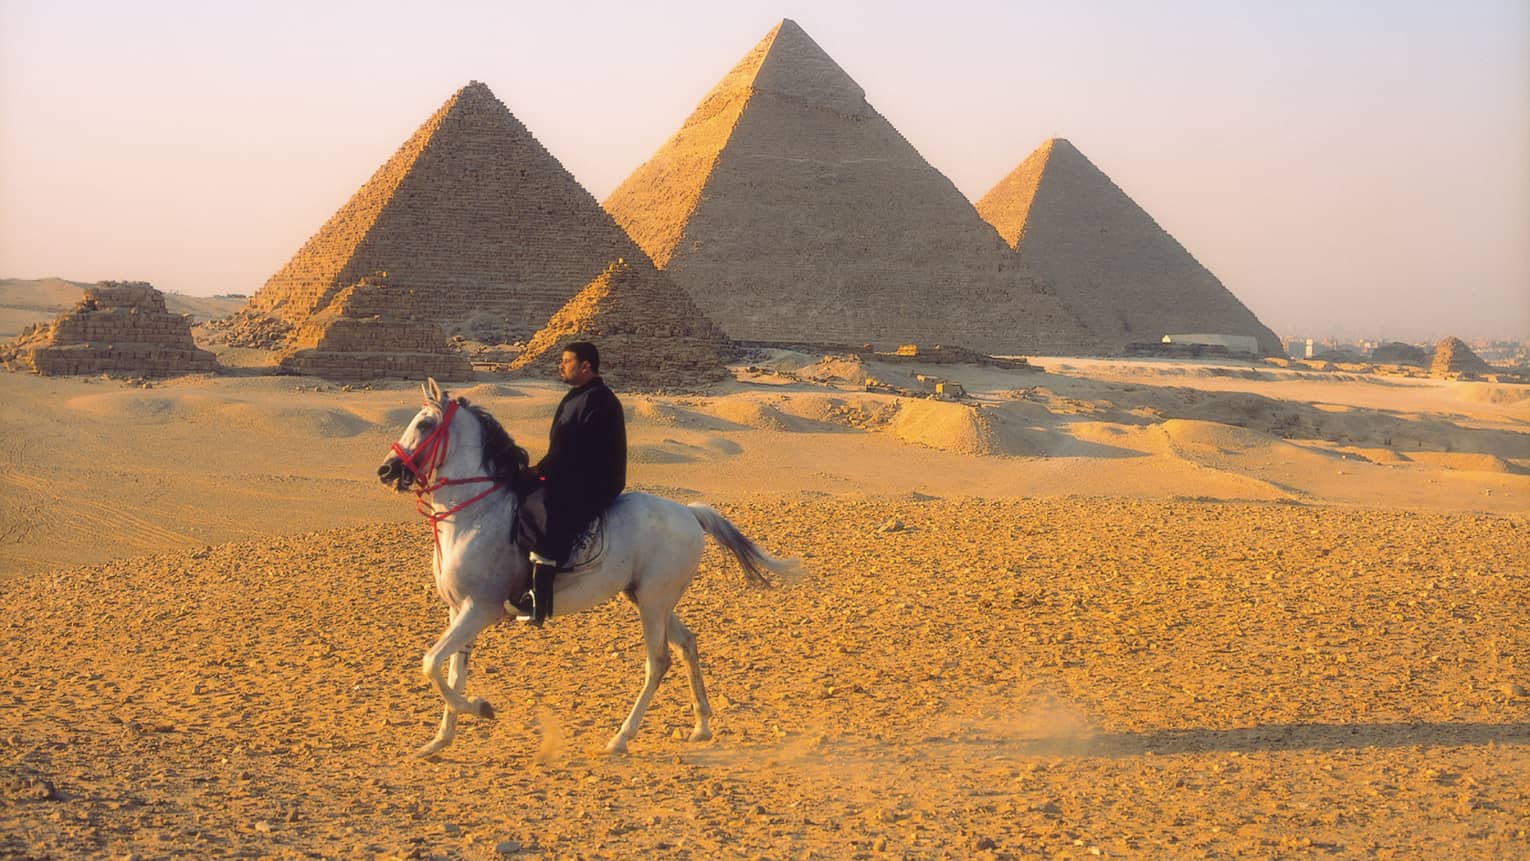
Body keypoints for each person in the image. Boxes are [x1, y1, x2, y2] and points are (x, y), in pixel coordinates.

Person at [513, 341, 626, 627]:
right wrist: (537, 470)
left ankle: (539, 599)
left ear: (585, 366)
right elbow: (561, 448)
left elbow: (576, 450)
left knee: (545, 505)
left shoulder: (600, 400)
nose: (559, 366)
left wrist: (543, 471)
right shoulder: (576, 396)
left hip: (595, 479)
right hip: (570, 471)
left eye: (566, 361)